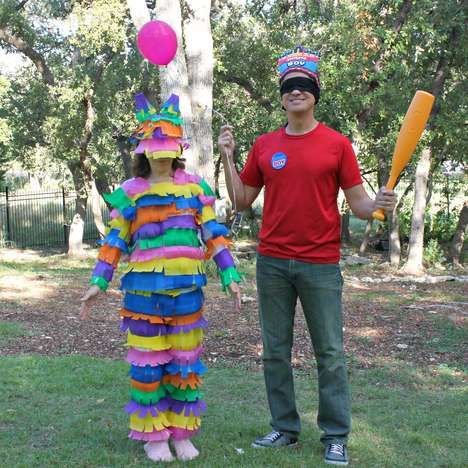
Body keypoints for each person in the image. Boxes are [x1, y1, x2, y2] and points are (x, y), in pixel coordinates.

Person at [218, 46, 396, 466]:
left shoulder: (336, 145)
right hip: (273, 263)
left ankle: (335, 435)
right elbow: (242, 200)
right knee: (274, 351)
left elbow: (360, 207)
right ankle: (285, 427)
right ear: (282, 97)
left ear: (314, 94)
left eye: (303, 87)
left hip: (319, 264)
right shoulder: (265, 146)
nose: (296, 93)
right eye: (289, 88)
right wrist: (227, 156)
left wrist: (381, 202)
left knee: (330, 353)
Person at [80, 93, 241, 463]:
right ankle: (154, 437)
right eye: (156, 147)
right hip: (143, 298)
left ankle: (182, 433)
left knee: (184, 366)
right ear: (144, 151)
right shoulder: (131, 193)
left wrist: (230, 274)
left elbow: (213, 234)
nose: (163, 154)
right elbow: (115, 241)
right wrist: (98, 282)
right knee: (148, 368)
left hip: (187, 295)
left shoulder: (195, 188)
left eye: (169, 146)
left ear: (179, 146)